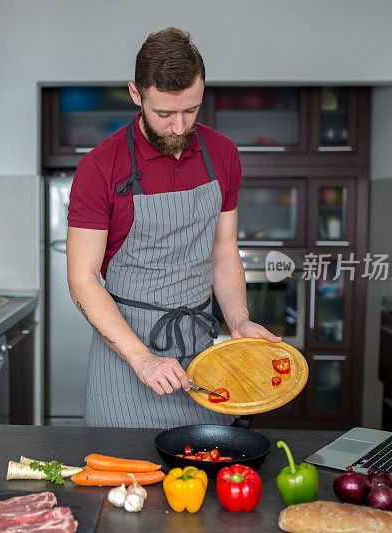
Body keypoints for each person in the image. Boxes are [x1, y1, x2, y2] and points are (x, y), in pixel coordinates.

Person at [66, 27, 281, 429]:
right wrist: (142, 358)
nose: (180, 127)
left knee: (208, 471)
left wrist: (237, 321)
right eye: (165, 113)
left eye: (191, 110)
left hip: (202, 354)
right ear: (136, 94)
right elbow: (82, 279)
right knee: (122, 483)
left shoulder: (223, 154)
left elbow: (223, 250)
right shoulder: (99, 166)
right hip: (127, 357)